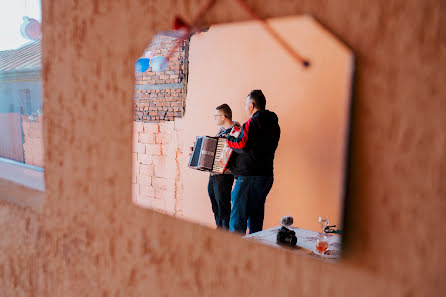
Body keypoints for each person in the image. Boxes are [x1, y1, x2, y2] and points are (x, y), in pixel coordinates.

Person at [226, 90, 280, 234]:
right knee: (256, 221)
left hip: (248, 178)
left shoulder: (253, 122)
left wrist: (229, 140)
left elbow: (242, 144)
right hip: (266, 177)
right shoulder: (274, 124)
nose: (245, 108)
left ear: (251, 105)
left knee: (237, 222)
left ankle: (235, 255)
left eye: (245, 104)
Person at [207, 104, 240, 229]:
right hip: (214, 173)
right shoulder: (221, 130)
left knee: (223, 206)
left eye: (216, 116)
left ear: (224, 116)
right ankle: (219, 230)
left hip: (225, 174)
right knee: (215, 202)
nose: (215, 118)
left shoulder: (236, 130)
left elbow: (234, 151)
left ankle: (225, 235)